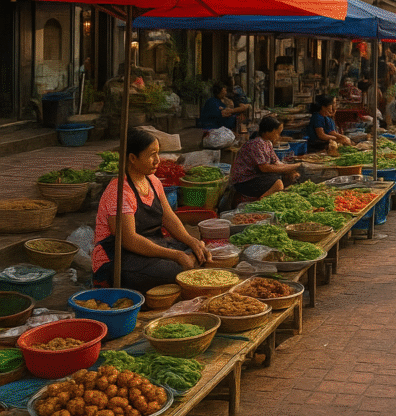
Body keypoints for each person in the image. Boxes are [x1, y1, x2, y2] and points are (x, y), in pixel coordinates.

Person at [92, 128, 213, 290]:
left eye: (158, 153)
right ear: (133, 158)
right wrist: (176, 255)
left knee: (199, 251)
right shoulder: (119, 192)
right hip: (119, 259)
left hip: (150, 246)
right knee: (176, 270)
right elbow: (129, 240)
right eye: (151, 154)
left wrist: (192, 241)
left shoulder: (152, 181)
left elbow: (169, 217)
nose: (157, 160)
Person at [230, 116, 301, 200]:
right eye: (277, 132)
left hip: (256, 177)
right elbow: (264, 168)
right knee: (278, 183)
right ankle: (261, 201)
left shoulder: (267, 143)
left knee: (287, 176)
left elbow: (276, 162)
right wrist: (296, 166)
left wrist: (291, 170)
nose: (278, 136)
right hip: (244, 182)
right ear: (267, 132)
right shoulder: (256, 144)